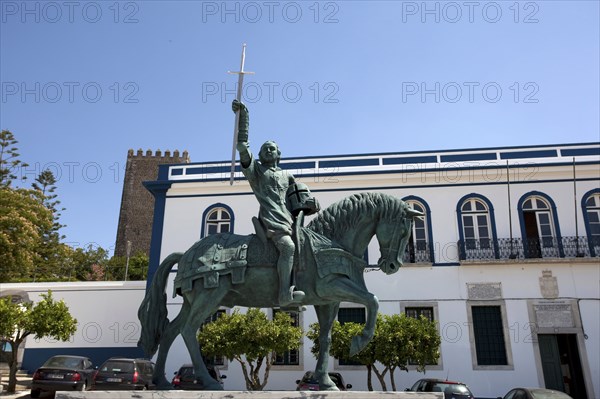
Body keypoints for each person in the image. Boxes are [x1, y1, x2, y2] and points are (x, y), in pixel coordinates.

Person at [232, 99, 315, 306]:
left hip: (290, 222)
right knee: (287, 248)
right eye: (265, 149)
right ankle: (284, 294)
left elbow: (300, 201)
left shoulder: (288, 175)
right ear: (260, 155)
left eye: (272, 149)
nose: (269, 151)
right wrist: (244, 118)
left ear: (279, 154)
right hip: (271, 223)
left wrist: (310, 203)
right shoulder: (257, 172)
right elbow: (243, 147)